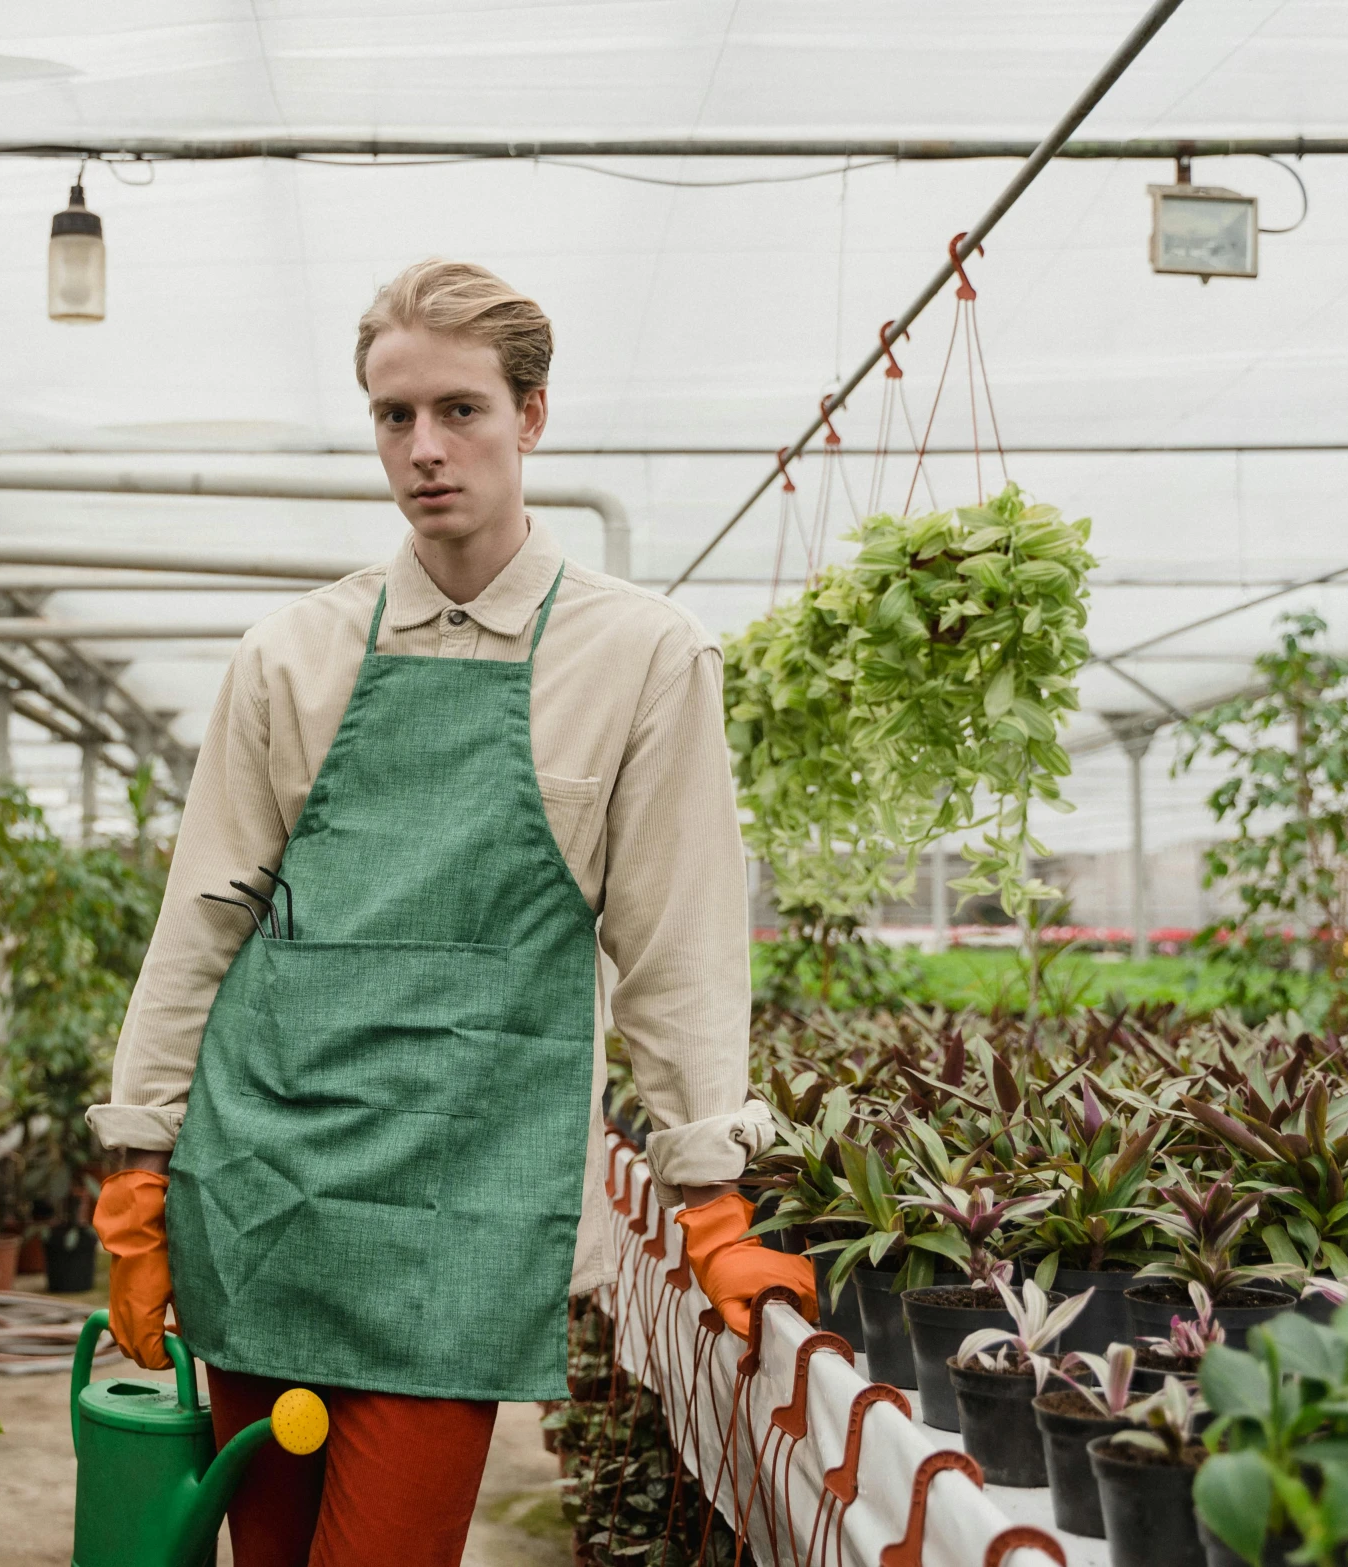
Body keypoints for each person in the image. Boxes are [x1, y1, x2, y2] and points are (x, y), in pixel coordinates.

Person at [88, 259, 812, 1567]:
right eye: (393, 415)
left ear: (531, 416)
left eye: (460, 411)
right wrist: (138, 1165)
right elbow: (201, 919)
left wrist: (709, 1192)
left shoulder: (642, 657)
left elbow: (676, 942)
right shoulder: (292, 654)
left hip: (461, 1200)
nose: (425, 450)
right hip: (265, 1183)